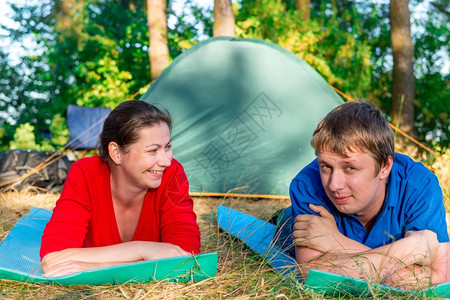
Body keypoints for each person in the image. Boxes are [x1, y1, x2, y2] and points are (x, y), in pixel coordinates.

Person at [289, 101, 450, 289]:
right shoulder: (307, 185)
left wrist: (335, 242)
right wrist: (411, 250)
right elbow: (312, 274)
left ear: (384, 166)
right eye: (326, 167)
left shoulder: (420, 185)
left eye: (350, 168)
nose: (334, 185)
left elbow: (442, 274)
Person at [40, 100, 201, 277]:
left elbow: (185, 256)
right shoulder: (86, 174)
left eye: (168, 147)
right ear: (116, 153)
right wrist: (142, 249)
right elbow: (52, 259)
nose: (166, 161)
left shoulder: (171, 174)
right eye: (153, 150)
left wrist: (92, 266)